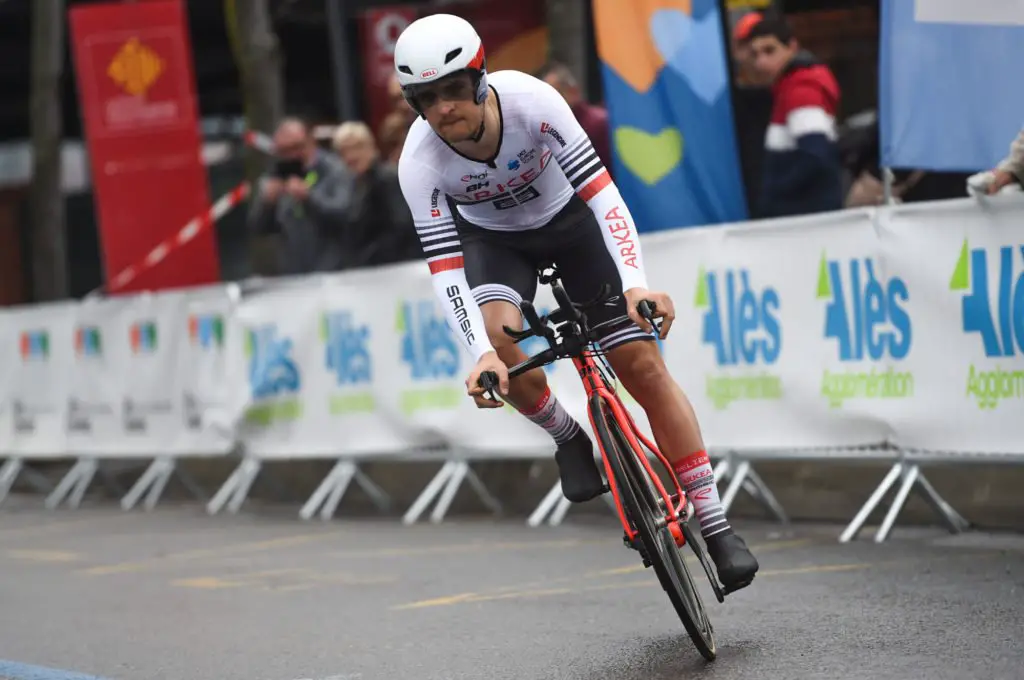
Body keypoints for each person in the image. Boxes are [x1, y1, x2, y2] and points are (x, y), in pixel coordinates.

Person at [392, 13, 758, 592]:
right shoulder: (418, 162)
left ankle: (715, 525)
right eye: (425, 99)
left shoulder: (533, 102)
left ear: (481, 78)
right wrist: (478, 352)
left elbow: (604, 197)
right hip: (495, 243)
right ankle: (568, 435)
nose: (443, 109)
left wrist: (635, 284)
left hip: (571, 224)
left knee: (642, 366)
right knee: (500, 343)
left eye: (454, 89)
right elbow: (445, 270)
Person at [744, 16, 843, 218]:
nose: (761, 62)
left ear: (792, 47)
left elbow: (814, 155)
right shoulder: (792, 88)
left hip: (803, 218)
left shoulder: (801, 91)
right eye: (755, 54)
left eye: (769, 51)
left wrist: (774, 195)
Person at [248, 117, 355, 274]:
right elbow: (259, 228)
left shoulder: (334, 169)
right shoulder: (276, 175)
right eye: (283, 151)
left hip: (332, 272)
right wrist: (268, 204)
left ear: (311, 141)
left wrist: (308, 197)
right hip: (294, 274)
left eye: (296, 147)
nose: (292, 155)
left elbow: (344, 214)